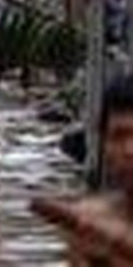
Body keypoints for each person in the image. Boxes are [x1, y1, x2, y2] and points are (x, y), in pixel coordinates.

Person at [33, 76, 133, 265]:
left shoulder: (94, 226)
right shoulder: (89, 222)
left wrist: (118, 242)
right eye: (119, 136)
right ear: (104, 145)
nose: (129, 150)